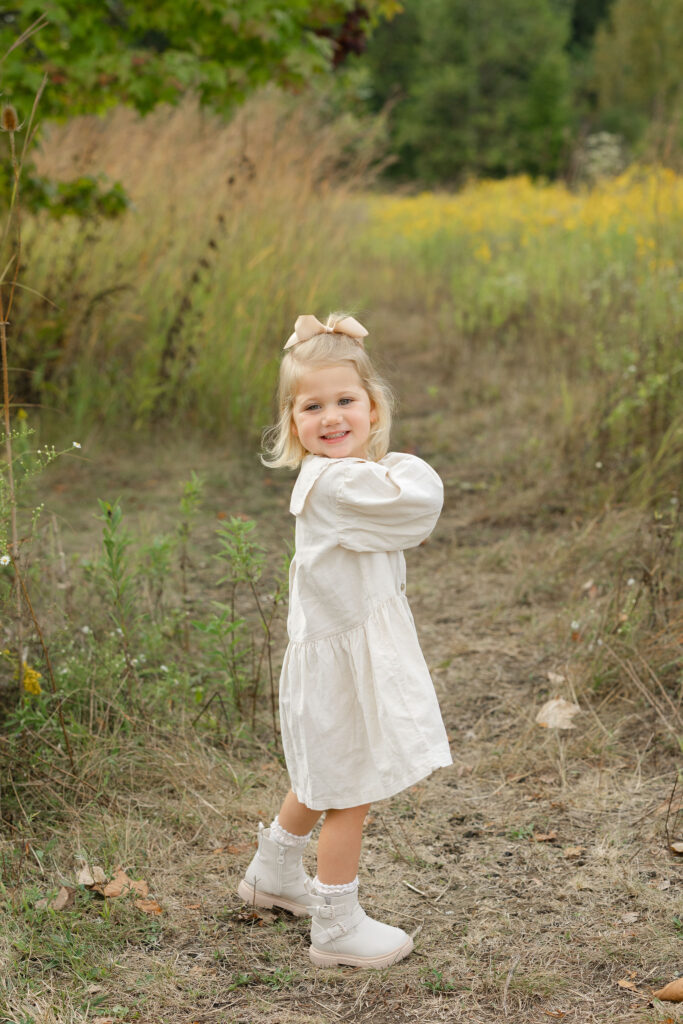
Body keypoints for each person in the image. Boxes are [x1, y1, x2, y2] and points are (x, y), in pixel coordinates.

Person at [238, 313, 452, 969]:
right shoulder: (339, 483)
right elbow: (418, 507)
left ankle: (272, 873)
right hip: (338, 659)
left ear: (372, 405)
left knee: (322, 769)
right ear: (291, 421)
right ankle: (335, 925)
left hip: (334, 650)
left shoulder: (347, 476)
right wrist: (396, 461)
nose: (331, 417)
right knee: (348, 783)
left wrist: (379, 459)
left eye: (344, 401)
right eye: (312, 406)